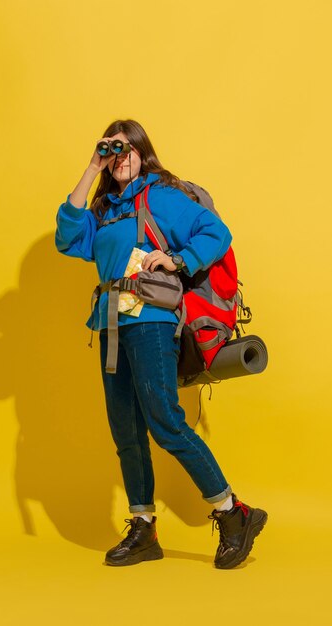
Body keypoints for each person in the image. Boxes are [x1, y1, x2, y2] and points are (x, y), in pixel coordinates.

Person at [55, 119, 267, 569]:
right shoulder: (107, 210)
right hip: (113, 323)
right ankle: (143, 526)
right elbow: (67, 238)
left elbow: (216, 233)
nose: (120, 155)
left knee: (164, 420)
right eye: (113, 149)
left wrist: (176, 260)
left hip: (151, 318)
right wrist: (93, 168)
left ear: (142, 152)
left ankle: (234, 513)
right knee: (126, 432)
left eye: (127, 147)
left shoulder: (161, 197)